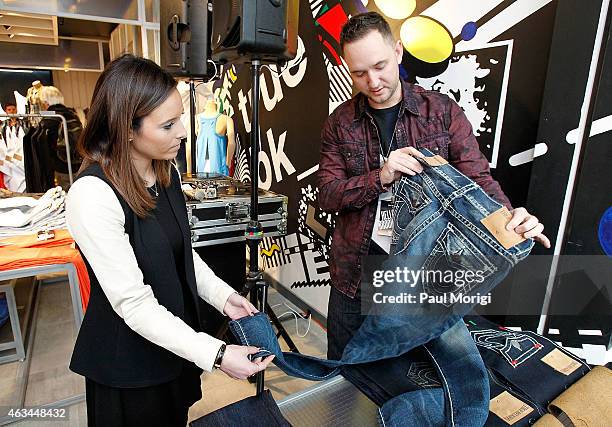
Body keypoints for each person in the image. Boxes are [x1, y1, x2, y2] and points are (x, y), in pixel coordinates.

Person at [317, 12, 551, 360]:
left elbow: (477, 179)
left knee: (422, 377)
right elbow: (328, 194)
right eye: (359, 73)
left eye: (380, 65)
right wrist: (379, 177)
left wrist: (510, 220)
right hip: (356, 273)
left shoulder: (442, 112)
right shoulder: (340, 123)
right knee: (346, 373)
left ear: (397, 51)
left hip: (428, 275)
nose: (374, 81)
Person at [66, 54, 274, 427]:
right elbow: (134, 304)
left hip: (171, 346)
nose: (182, 132)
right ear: (127, 128)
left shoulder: (167, 173)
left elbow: (182, 254)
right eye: (168, 124)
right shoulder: (92, 195)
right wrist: (217, 352)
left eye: (180, 119)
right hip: (128, 368)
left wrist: (224, 297)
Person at [37, 86, 83, 188]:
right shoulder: (72, 114)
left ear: (46, 102)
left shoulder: (50, 119)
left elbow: (48, 148)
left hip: (61, 167)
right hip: (78, 163)